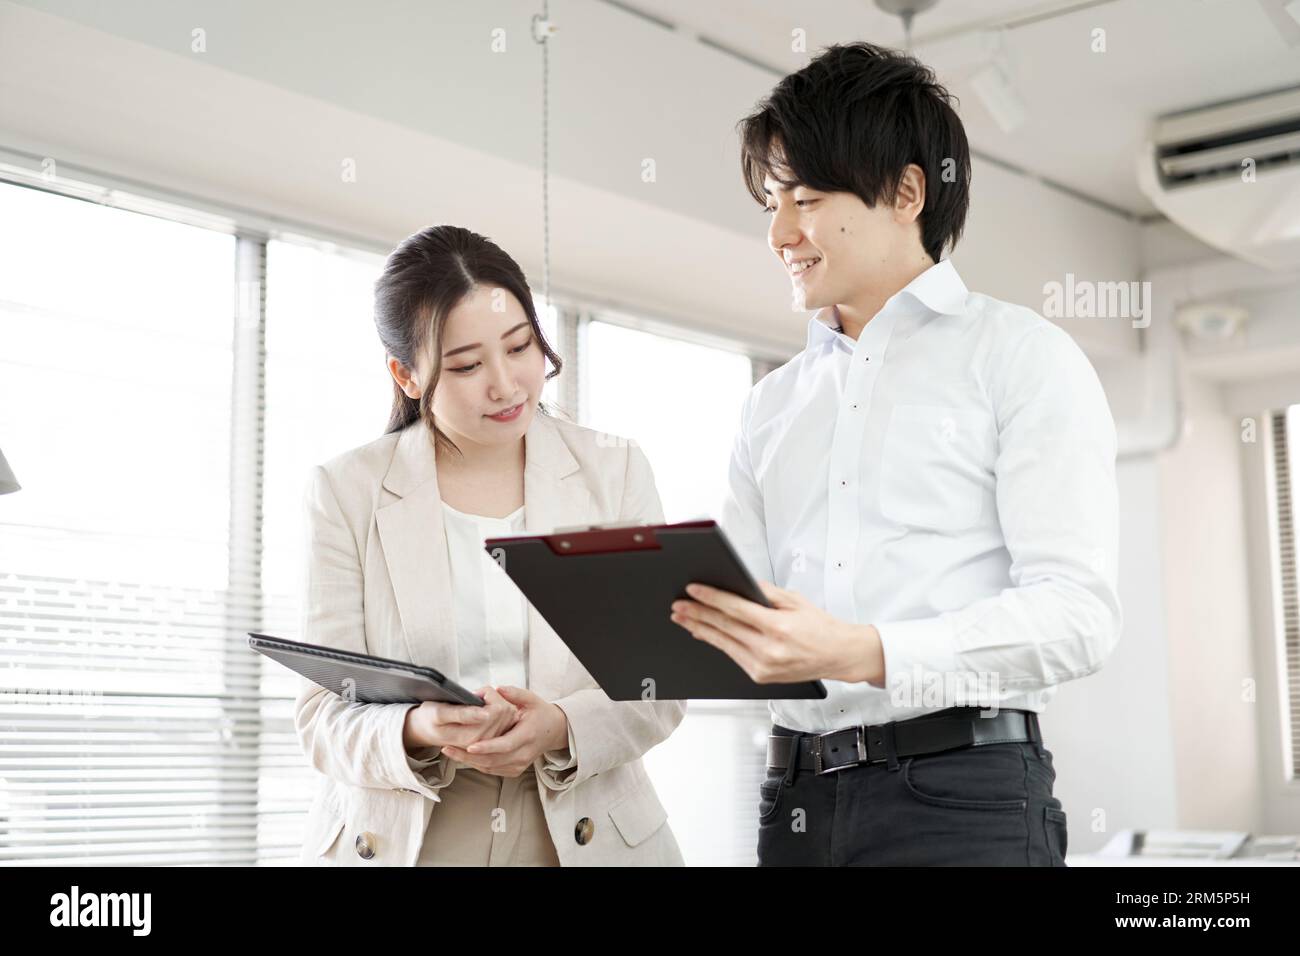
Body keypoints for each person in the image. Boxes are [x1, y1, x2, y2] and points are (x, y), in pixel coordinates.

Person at [669, 42, 1122, 866]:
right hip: (794, 801)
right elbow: (752, 622)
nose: (779, 233)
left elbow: (1077, 619)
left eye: (805, 198)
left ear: (907, 191)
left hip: (962, 799)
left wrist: (864, 651)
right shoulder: (771, 407)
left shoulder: (1021, 357)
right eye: (772, 202)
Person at [294, 224, 685, 866]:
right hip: (410, 834)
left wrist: (559, 726)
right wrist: (417, 729)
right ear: (407, 375)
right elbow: (322, 715)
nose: (505, 385)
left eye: (520, 346)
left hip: (583, 830)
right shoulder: (346, 490)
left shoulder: (614, 471)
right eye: (468, 365)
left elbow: (660, 685)